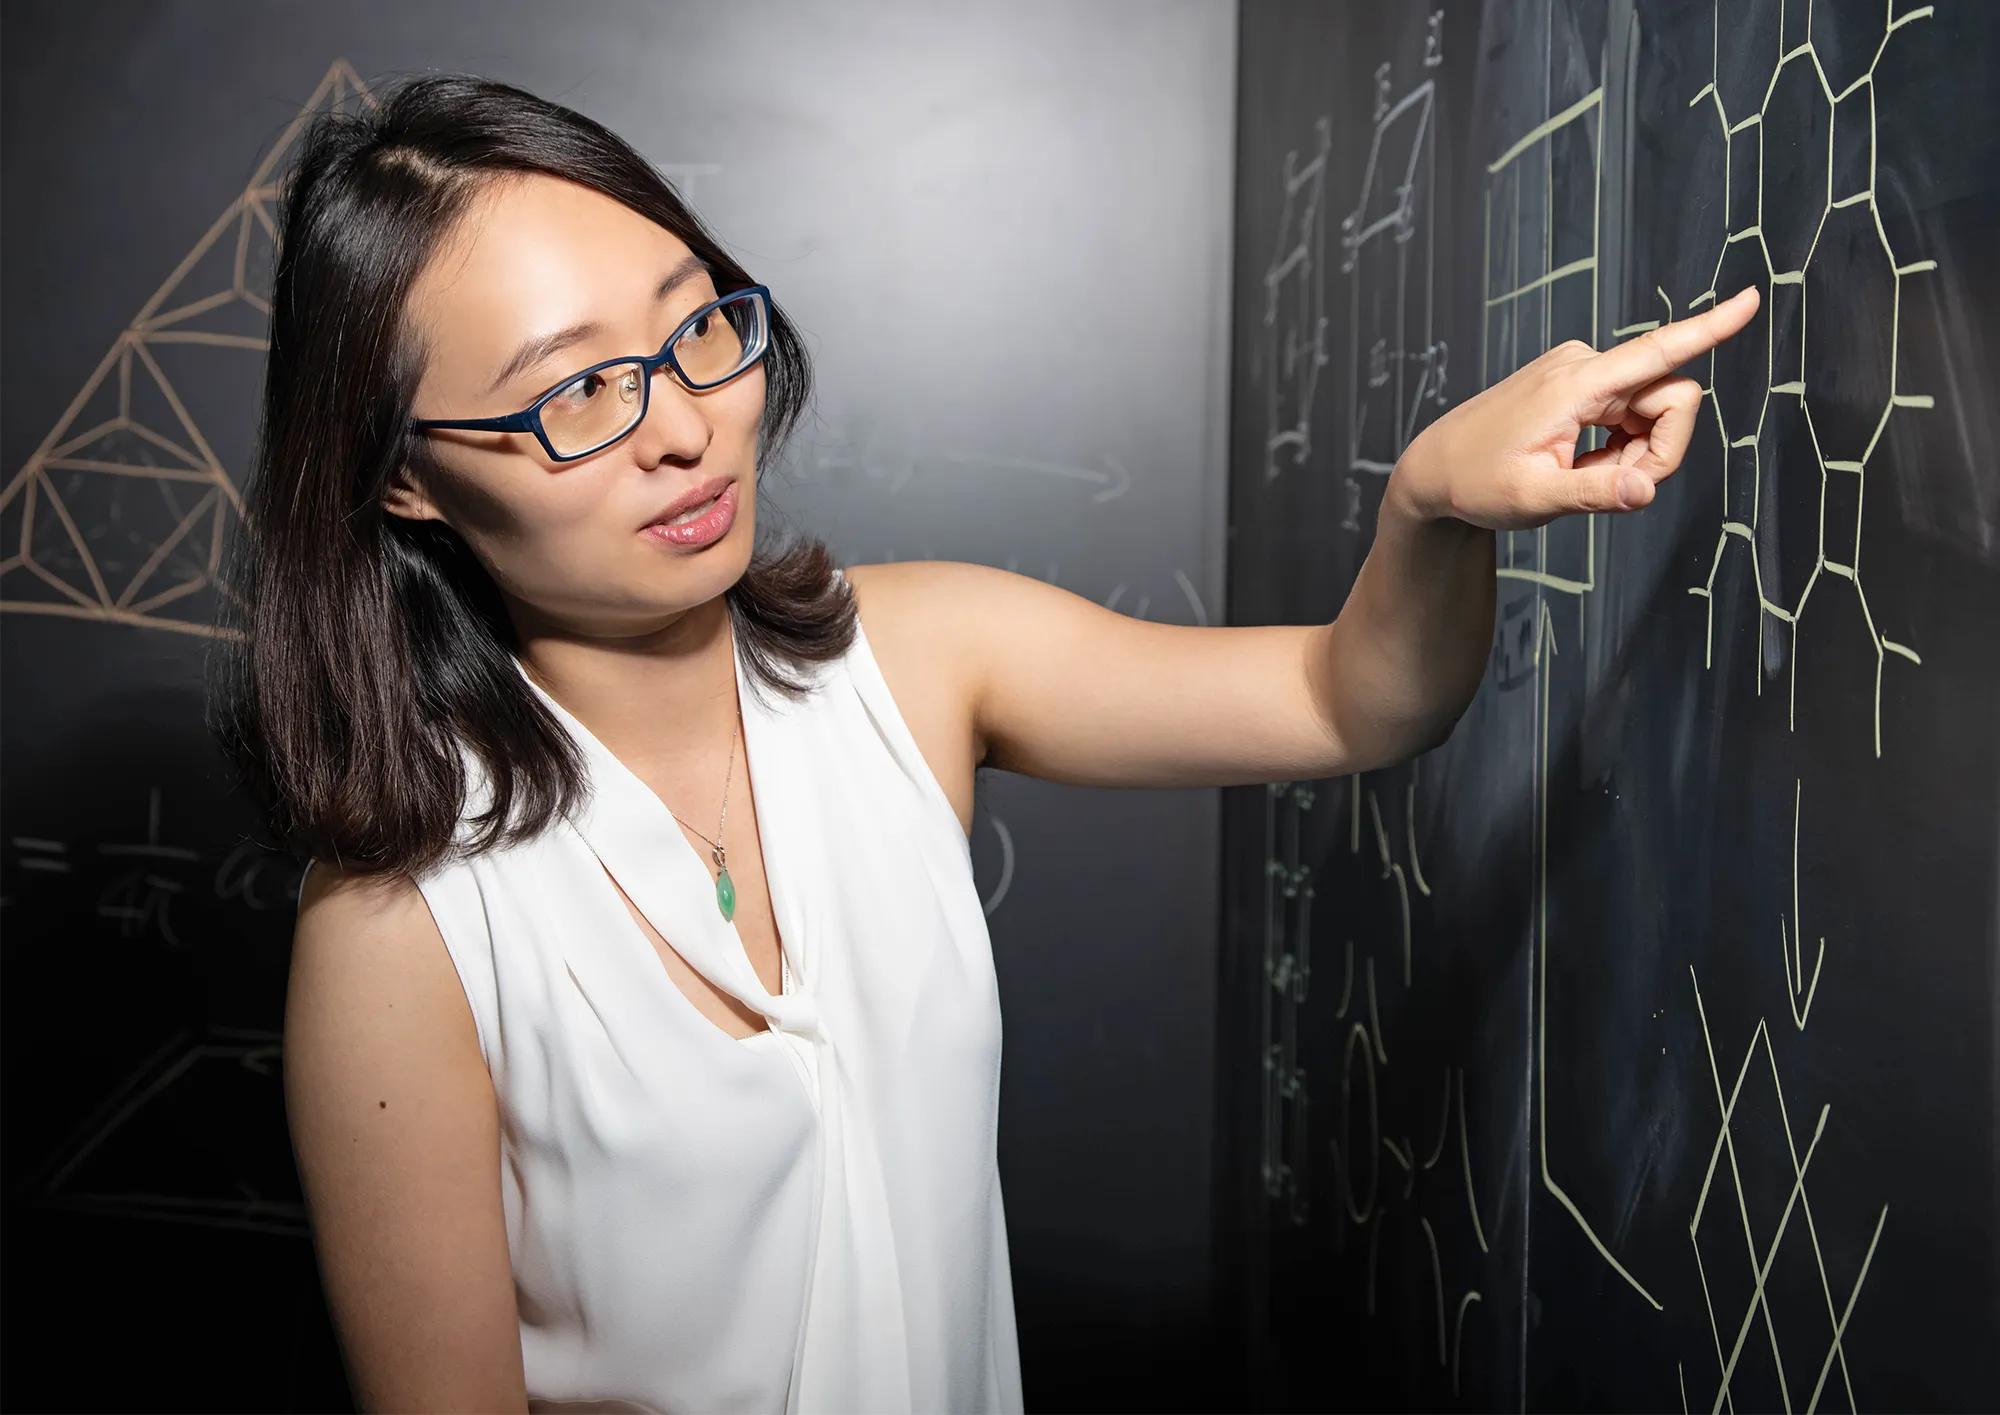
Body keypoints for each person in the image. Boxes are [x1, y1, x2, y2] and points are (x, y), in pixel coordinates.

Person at [219, 74, 1756, 1415]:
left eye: (697, 327)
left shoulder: (913, 656)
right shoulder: (402, 922)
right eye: (575, 394)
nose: (684, 423)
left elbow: (1353, 700)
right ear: (405, 477)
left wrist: (1431, 502)